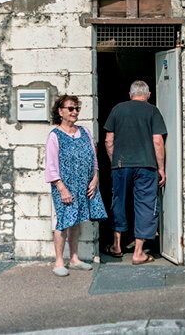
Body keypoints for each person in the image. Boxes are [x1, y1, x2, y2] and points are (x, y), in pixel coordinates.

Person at [104, 80, 167, 265]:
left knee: (119, 202)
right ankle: (139, 252)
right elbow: (158, 141)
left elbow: (109, 140)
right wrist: (161, 168)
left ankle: (116, 246)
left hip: (121, 164)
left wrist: (114, 161)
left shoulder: (117, 109)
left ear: (130, 94)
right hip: (147, 166)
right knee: (146, 204)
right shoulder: (152, 111)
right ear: (148, 95)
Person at [45, 95, 108, 277]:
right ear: (60, 111)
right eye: (70, 109)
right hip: (65, 186)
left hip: (84, 184)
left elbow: (93, 158)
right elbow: (51, 165)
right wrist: (61, 188)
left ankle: (74, 258)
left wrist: (95, 178)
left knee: (77, 220)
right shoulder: (55, 135)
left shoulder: (85, 131)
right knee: (64, 221)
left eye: (76, 109)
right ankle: (58, 261)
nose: (74, 112)